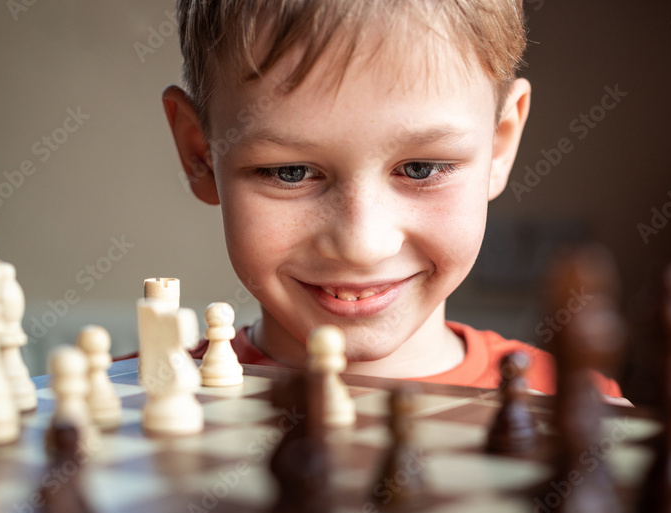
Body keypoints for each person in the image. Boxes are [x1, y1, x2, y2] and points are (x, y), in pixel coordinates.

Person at [159, 0, 621, 398]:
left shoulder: (583, 409)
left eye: (421, 169)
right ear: (201, 154)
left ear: (498, 146)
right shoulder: (129, 397)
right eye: (290, 172)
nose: (362, 245)